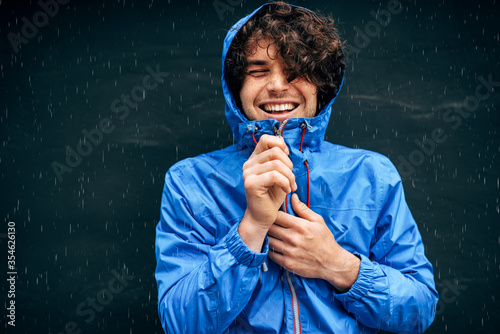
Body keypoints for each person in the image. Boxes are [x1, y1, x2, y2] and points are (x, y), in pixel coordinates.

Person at [155, 2, 438, 333]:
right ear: (236, 86)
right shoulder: (190, 183)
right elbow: (181, 324)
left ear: (322, 85)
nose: (276, 85)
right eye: (258, 70)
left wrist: (339, 265)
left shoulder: (374, 175)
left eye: (296, 70)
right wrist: (251, 227)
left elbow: (420, 309)